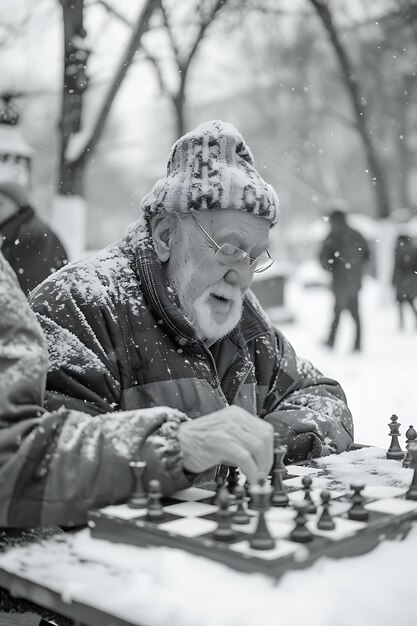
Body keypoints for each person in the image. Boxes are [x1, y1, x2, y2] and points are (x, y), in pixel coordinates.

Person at [5, 119, 351, 528]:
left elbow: (324, 400)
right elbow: (45, 473)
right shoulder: (82, 305)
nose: (242, 275)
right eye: (229, 248)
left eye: (255, 257)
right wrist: (189, 450)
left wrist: (257, 443)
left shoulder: (246, 322)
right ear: (166, 234)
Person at [0, 180, 68, 296]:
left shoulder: (32, 237)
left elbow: (35, 293)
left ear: (18, 205)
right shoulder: (19, 232)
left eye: (0, 204)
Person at [319, 207, 370, 351]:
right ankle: (357, 344)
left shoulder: (332, 236)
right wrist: (355, 268)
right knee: (355, 314)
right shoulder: (357, 234)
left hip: (340, 282)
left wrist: (332, 268)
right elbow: (367, 256)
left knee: (337, 312)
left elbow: (323, 259)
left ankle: (331, 342)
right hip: (354, 281)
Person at [392, 234, 417, 329]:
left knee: (400, 303)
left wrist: (393, 280)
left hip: (401, 280)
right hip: (412, 280)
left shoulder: (399, 250)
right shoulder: (413, 248)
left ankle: (401, 323)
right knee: (410, 302)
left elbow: (396, 267)